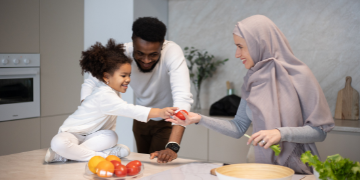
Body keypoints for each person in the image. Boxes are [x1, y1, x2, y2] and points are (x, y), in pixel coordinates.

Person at [166, 15, 335, 174]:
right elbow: (238, 127)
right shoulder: (252, 79)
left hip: (298, 168)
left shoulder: (300, 75)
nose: (237, 54)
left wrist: (281, 133)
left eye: (240, 47)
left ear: (259, 44)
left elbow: (320, 131)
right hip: (260, 167)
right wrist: (198, 119)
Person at [44, 39, 177, 163]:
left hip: (93, 136)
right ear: (106, 76)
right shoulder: (104, 94)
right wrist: (160, 112)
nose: (128, 79)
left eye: (129, 75)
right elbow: (129, 110)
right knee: (58, 143)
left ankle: (66, 155)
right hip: (73, 134)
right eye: (123, 75)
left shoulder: (112, 91)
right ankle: (102, 156)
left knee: (111, 136)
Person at [81, 17, 193, 163]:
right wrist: (85, 112)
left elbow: (182, 97)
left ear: (162, 46)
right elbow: (91, 80)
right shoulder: (123, 52)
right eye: (140, 53)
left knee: (158, 165)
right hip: (141, 118)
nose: (146, 60)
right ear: (132, 41)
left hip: (168, 119)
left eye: (153, 54)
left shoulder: (172, 51)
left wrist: (173, 146)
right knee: (145, 164)